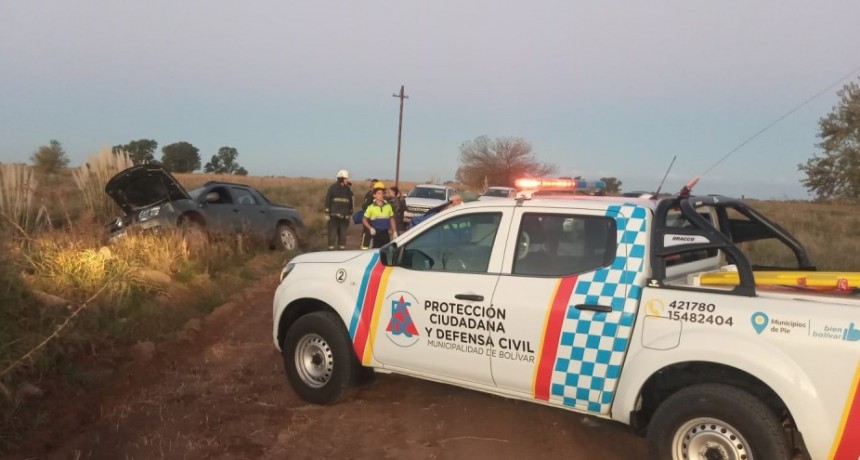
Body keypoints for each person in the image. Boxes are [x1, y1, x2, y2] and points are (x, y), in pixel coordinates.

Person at [324, 169, 354, 250]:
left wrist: (350, 213)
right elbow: (327, 200)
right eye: (346, 178)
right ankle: (331, 252)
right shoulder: (332, 188)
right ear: (341, 179)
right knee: (332, 236)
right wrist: (327, 212)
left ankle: (341, 251)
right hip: (333, 217)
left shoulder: (348, 189)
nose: (347, 180)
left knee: (343, 237)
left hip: (344, 218)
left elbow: (350, 202)